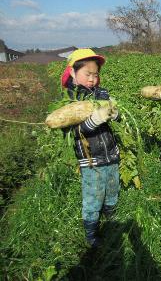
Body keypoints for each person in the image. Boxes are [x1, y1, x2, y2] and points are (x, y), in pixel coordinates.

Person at [61, 48, 120, 247]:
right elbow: (74, 133)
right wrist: (94, 120)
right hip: (91, 160)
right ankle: (91, 232)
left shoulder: (101, 93)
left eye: (95, 75)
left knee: (112, 188)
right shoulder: (69, 102)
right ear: (72, 74)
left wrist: (114, 113)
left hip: (111, 154)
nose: (92, 79)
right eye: (88, 74)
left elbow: (113, 117)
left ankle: (111, 217)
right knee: (93, 195)